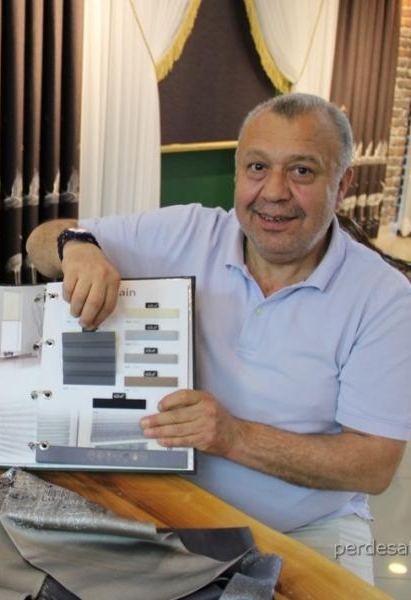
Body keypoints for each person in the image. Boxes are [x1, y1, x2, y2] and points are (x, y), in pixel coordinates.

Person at [26, 92, 411, 582]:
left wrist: (233, 437)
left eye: (302, 171)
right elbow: (41, 240)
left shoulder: (384, 297)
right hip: (164, 498)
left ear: (342, 187)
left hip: (309, 526)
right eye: (257, 167)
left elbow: (372, 466)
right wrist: (78, 248)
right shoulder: (187, 231)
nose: (274, 191)